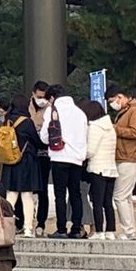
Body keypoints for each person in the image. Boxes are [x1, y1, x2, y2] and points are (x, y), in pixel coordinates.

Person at [40, 85, 88, 239]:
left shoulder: (52, 111)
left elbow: (45, 136)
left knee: (60, 194)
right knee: (75, 193)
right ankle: (76, 228)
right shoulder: (80, 113)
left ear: (52, 98)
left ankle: (61, 229)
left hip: (59, 155)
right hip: (77, 158)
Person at [0, 93, 42, 238]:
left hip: (10, 162)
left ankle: (6, 227)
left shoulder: (7, 120)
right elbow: (36, 141)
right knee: (27, 195)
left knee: (11, 194)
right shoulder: (27, 122)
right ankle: (28, 228)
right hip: (26, 161)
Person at [105, 87, 136, 240]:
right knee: (125, 197)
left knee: (119, 196)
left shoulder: (135, 112)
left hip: (129, 157)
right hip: (124, 157)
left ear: (120, 97)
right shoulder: (126, 111)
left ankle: (128, 230)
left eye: (112, 101)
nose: (112, 104)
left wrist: (116, 129)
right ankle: (129, 230)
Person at [83, 100, 118, 240]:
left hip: (98, 168)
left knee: (97, 202)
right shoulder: (110, 127)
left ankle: (99, 231)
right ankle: (110, 230)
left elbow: (90, 150)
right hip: (111, 168)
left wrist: (81, 156)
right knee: (107, 202)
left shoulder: (95, 127)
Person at [29, 81, 52, 235]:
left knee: (42, 189)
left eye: (44, 97)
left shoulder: (51, 109)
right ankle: (24, 221)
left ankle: (41, 222)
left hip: (45, 153)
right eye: (39, 97)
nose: (41, 100)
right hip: (29, 153)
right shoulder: (25, 107)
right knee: (26, 190)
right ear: (33, 94)